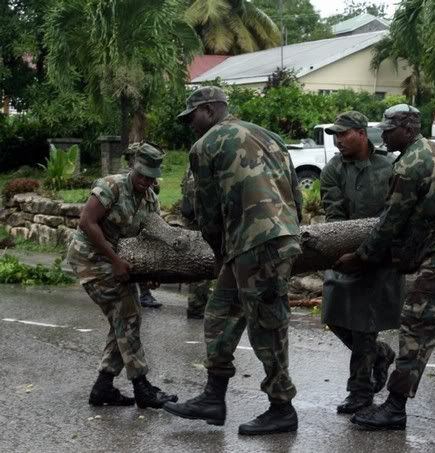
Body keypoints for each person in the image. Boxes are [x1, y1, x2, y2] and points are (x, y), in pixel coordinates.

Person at [334, 104, 435, 431]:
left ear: (408, 129)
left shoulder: (408, 166)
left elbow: (389, 224)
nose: (384, 133)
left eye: (390, 128)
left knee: (417, 324)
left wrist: (361, 257)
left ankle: (395, 406)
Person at [163, 87, 303, 435]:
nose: (189, 124)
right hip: (264, 240)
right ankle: (214, 396)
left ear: (209, 110)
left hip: (257, 244)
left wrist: (217, 253)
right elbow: (295, 191)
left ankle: (281, 407)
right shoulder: (269, 136)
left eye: (191, 116)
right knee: (219, 313)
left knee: (266, 326)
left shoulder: (205, 145)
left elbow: (207, 212)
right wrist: (290, 233)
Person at [66, 142, 177, 409]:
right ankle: (142, 387)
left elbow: (147, 239)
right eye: (141, 175)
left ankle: (103, 388)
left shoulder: (150, 200)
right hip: (90, 259)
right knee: (128, 315)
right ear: (133, 168)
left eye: (150, 177)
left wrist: (149, 272)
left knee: (123, 318)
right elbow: (86, 222)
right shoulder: (111, 186)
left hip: (115, 260)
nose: (144, 181)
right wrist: (115, 260)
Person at [319, 111, 401, 414]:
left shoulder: (390, 166)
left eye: (343, 134)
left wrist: (371, 252)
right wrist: (346, 252)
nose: (338, 141)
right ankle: (381, 355)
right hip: (345, 252)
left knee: (364, 325)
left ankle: (360, 391)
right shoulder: (333, 170)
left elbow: (396, 212)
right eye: (335, 136)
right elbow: (334, 216)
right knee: (333, 316)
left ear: (362, 133)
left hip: (381, 256)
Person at [123, 145, 162, 309]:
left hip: (134, 239)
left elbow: (155, 233)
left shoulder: (151, 197)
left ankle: (145, 294)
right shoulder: (117, 185)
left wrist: (154, 272)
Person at [180, 163, 211, 319]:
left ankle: (199, 302)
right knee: (201, 262)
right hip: (200, 220)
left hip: (193, 217)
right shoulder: (202, 163)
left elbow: (184, 186)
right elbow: (193, 192)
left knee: (199, 261)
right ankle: (197, 305)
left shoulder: (193, 162)